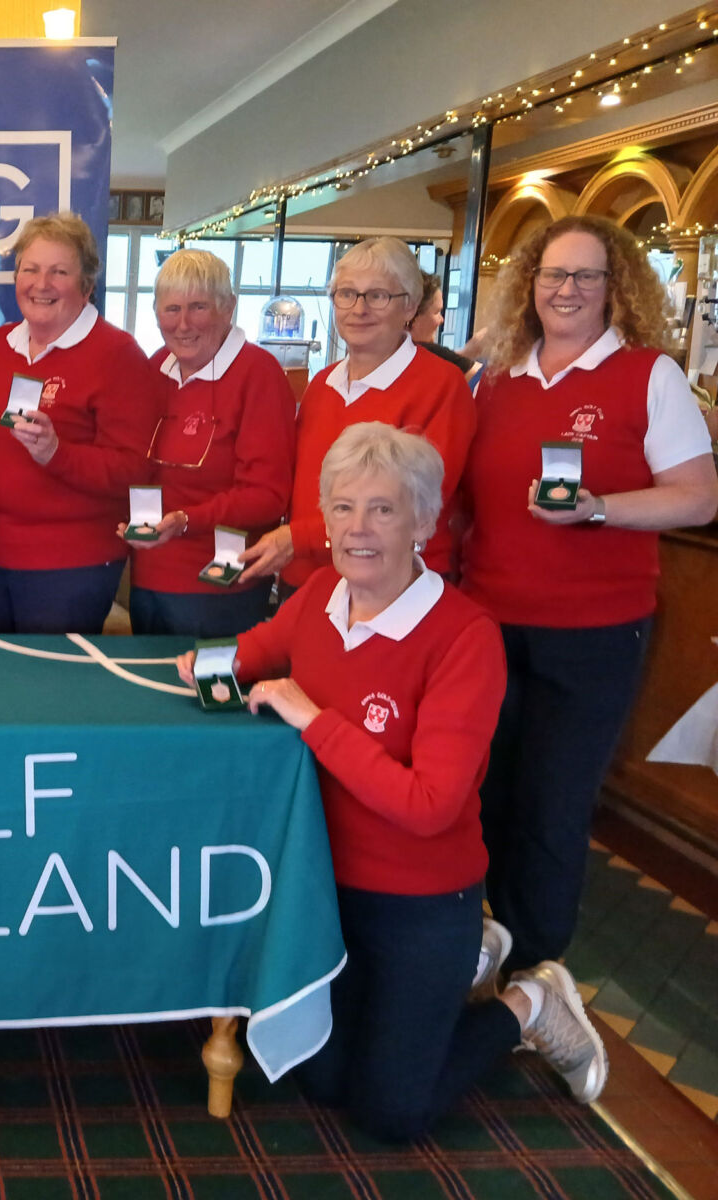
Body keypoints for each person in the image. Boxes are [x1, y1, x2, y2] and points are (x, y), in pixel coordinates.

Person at [178, 422, 609, 1140]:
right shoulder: (320, 594)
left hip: (420, 897)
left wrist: (314, 719)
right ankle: (470, 963)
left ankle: (531, 1002)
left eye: (383, 509)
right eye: (343, 508)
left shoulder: (464, 637)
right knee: (321, 1080)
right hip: (324, 890)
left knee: (392, 1113)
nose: (358, 528)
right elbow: (252, 651)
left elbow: (430, 805)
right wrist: (206, 664)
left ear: (423, 523)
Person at [461, 215, 718, 971]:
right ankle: (483, 946)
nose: (566, 289)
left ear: (615, 287)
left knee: (552, 807)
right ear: (530, 284)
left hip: (595, 633)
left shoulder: (649, 375)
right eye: (553, 274)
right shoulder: (497, 378)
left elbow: (698, 497)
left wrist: (599, 508)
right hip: (487, 622)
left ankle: (533, 974)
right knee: (484, 794)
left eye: (585, 275)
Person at [0, 213, 159, 633]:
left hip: (73, 566)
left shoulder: (118, 354)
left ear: (87, 285)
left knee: (50, 675)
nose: (41, 284)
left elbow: (135, 470)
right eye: (30, 269)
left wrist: (57, 453)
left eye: (59, 272)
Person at [239, 237, 475, 593]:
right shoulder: (322, 384)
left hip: (389, 587)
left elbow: (412, 502)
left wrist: (300, 538)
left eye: (377, 296)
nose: (359, 309)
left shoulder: (442, 385)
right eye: (347, 294)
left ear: (410, 305)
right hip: (306, 582)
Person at [125, 249, 294, 637]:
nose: (183, 324)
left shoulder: (258, 374)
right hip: (148, 577)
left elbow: (267, 496)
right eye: (172, 309)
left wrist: (187, 521)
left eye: (198, 307)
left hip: (221, 589)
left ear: (228, 308)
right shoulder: (154, 368)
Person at [410, 270, 478, 379]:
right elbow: (483, 378)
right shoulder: (423, 352)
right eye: (437, 312)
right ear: (412, 315)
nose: (442, 320)